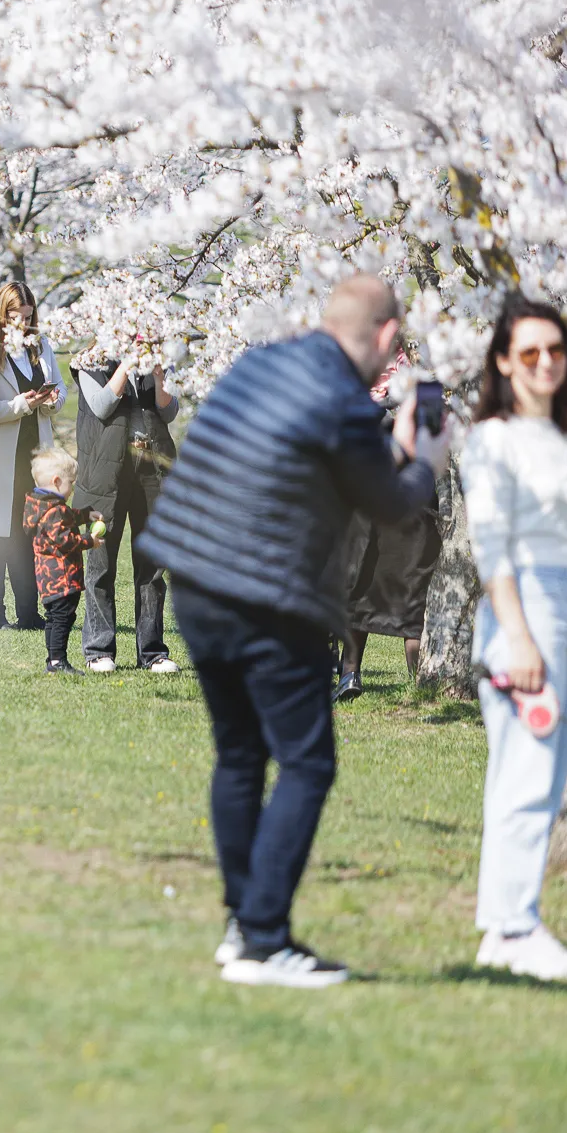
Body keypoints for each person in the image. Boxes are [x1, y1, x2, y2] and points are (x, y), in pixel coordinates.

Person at [140, 273, 449, 989]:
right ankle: (266, 937)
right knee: (307, 764)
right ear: (382, 336)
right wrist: (422, 457)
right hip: (265, 597)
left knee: (241, 754)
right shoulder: (344, 399)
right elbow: (393, 502)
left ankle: (242, 925)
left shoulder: (260, 363)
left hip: (194, 579)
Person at [463, 295, 567, 982]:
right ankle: (513, 925)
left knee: (547, 767)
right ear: (503, 362)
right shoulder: (493, 439)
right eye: (530, 353)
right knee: (526, 766)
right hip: (528, 604)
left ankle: (511, 922)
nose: (546, 362)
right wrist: (516, 634)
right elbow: (492, 547)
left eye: (556, 350)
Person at [334, 353, 441, 699]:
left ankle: (356, 674)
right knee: (379, 573)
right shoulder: (371, 351)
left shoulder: (426, 348)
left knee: (394, 575)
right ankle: (359, 674)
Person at [0, 281, 65, 630]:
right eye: (15, 316)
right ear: (1, 313)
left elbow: (60, 387)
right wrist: (21, 404)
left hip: (33, 452)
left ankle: (28, 614)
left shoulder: (40, 345)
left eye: (27, 315)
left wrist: (52, 401)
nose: (22, 323)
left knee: (28, 533)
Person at [73, 346, 181, 673]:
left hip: (151, 468)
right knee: (101, 561)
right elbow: (103, 405)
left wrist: (159, 376)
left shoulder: (152, 359)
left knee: (152, 565)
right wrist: (127, 364)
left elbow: (169, 411)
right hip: (107, 473)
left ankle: (152, 652)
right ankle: (99, 650)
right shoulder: (88, 360)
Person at [26, 446, 105, 674]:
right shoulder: (53, 511)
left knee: (54, 618)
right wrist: (89, 540)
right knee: (62, 618)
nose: (71, 489)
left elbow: (66, 517)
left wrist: (84, 514)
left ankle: (52, 661)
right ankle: (58, 661)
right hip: (60, 576)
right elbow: (64, 540)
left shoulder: (42, 505)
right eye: (71, 483)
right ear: (57, 481)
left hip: (47, 577)